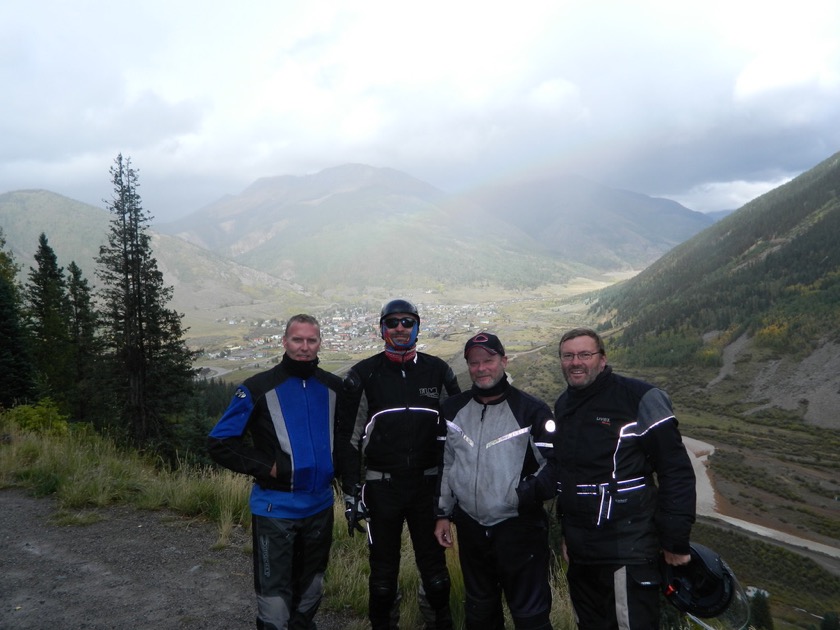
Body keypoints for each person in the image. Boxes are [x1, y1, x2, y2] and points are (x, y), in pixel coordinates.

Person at [552, 327, 696, 630]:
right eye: (568, 355)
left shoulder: (640, 398)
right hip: (581, 552)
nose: (575, 362)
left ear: (602, 359)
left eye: (584, 354)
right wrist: (567, 533)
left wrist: (675, 540)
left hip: (627, 548)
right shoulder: (564, 404)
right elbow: (569, 474)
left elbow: (675, 469)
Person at [207, 314, 345, 630]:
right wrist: (266, 466)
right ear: (284, 342)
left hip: (320, 507)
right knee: (274, 598)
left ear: (320, 342)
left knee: (311, 590)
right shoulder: (258, 388)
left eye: (311, 340)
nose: (304, 347)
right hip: (275, 509)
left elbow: (348, 438)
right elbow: (220, 442)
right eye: (298, 339)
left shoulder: (334, 387)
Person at [335, 299, 461, 630]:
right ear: (382, 330)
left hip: (427, 488)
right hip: (382, 489)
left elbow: (457, 435)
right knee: (382, 578)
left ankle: (439, 623)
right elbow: (348, 439)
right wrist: (351, 491)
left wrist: (450, 490)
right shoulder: (364, 374)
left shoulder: (439, 371)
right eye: (392, 323)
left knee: (435, 575)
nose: (400, 328)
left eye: (408, 322)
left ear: (418, 327)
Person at [434, 332, 556, 630]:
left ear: (503, 360)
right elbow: (447, 464)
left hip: (519, 528)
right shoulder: (452, 409)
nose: (481, 368)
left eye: (488, 360)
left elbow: (555, 466)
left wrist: (520, 496)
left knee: (530, 615)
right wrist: (442, 513)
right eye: (473, 363)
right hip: (471, 527)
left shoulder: (531, 409)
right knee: (480, 610)